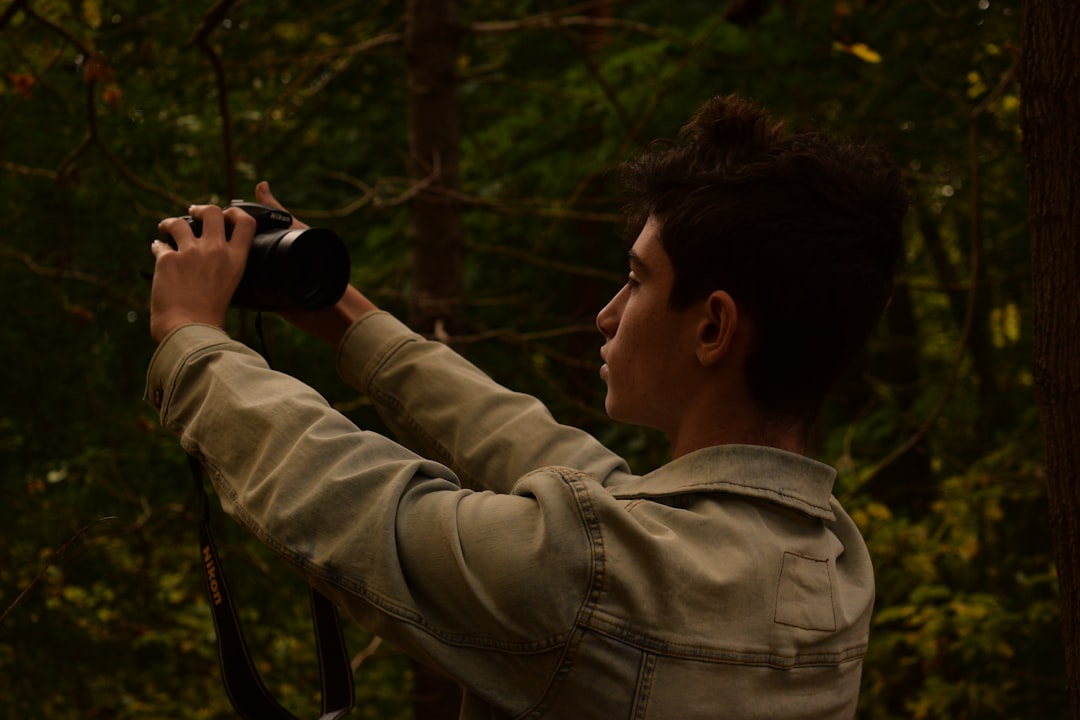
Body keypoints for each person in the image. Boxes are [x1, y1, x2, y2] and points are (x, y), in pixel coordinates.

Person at [146, 94, 907, 719]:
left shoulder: (589, 578)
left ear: (712, 327)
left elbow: (351, 503)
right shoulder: (831, 559)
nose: (609, 314)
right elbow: (560, 464)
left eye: (637, 281)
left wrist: (192, 341)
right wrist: (341, 313)